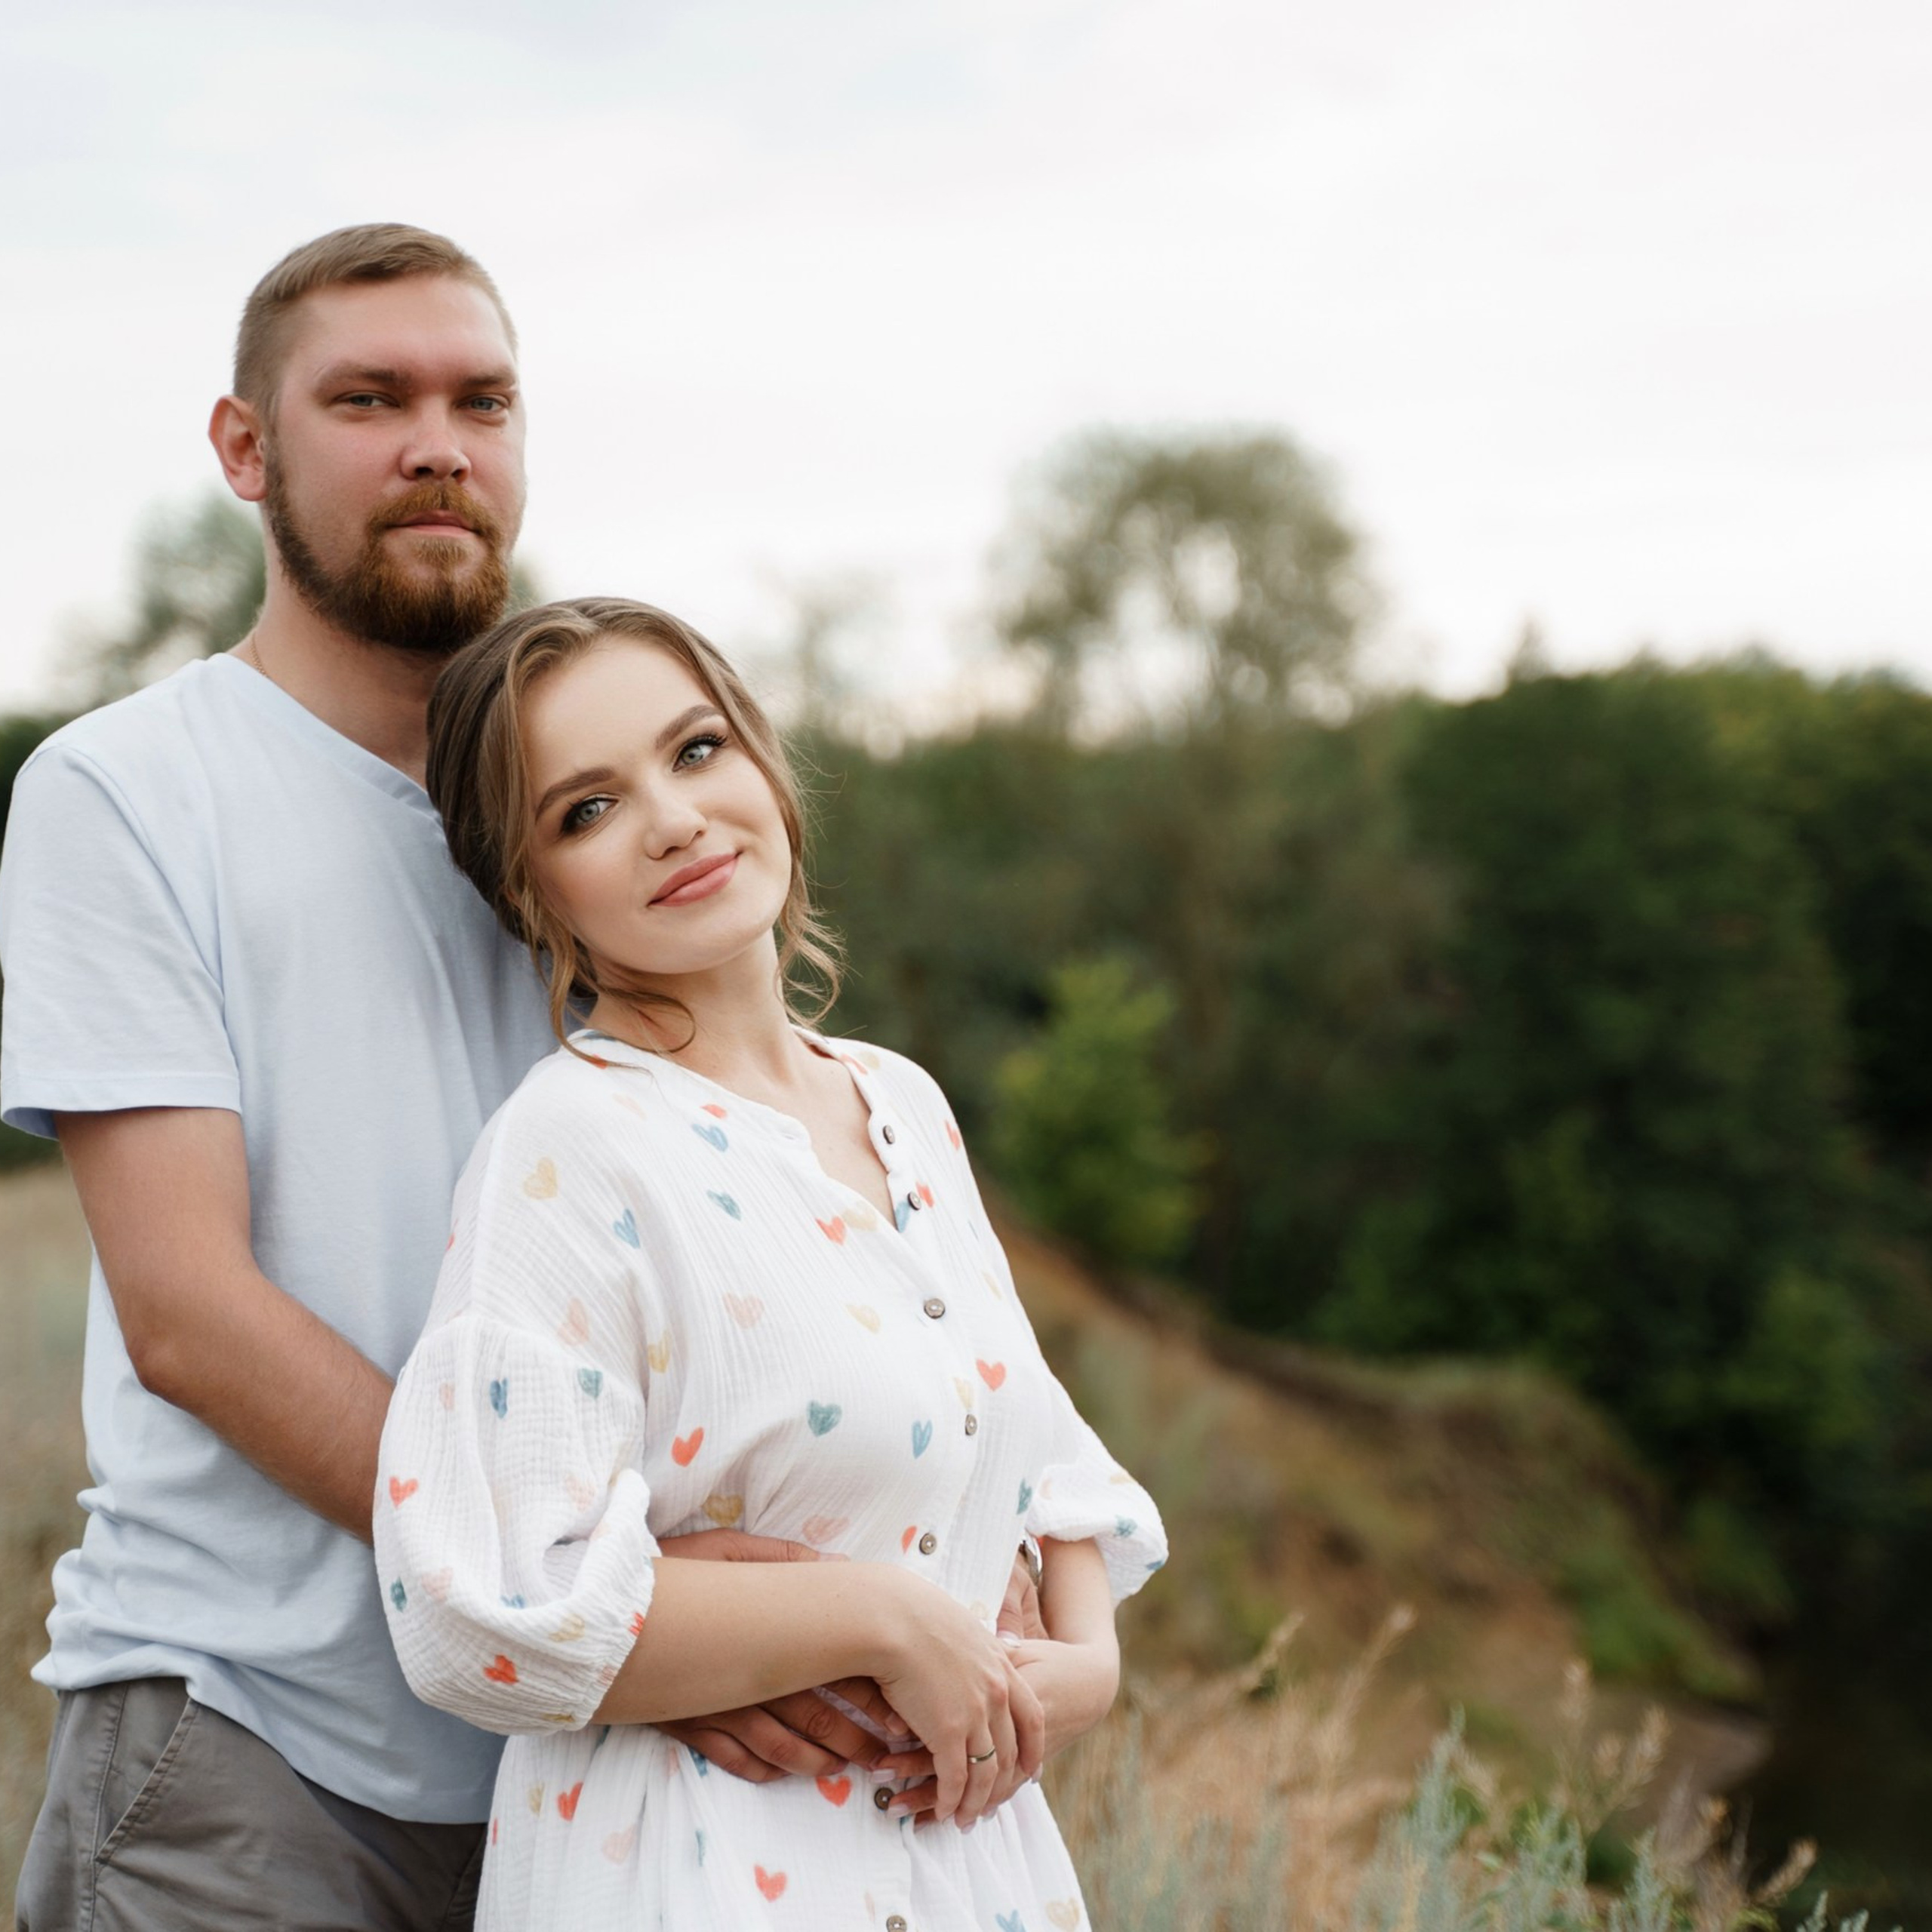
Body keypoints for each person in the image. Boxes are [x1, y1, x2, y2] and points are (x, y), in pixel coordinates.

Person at [0, 225, 1047, 1931]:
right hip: (260, 1743)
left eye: (481, 398)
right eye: (369, 397)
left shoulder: (585, 802)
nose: (438, 441)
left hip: (606, 1773)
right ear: (243, 448)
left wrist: (721, 1623)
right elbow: (187, 1309)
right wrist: (601, 1592)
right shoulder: (126, 790)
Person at [376, 595, 1167, 1930]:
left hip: (972, 1866)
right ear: (528, 888)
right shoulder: (570, 1148)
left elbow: (1039, 1456)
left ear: (762, 762)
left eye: (694, 753)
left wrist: (1084, 1668)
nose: (674, 819)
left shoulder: (900, 1102)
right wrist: (883, 1619)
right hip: (702, 1875)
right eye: (586, 810)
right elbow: (477, 1610)